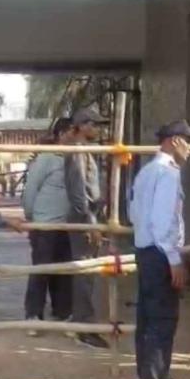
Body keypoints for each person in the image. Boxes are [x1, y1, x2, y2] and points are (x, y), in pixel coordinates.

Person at [129, 119, 190, 379]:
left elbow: (134, 213)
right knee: (162, 321)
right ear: (175, 141)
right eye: (189, 142)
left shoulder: (147, 171)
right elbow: (163, 222)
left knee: (148, 319)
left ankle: (151, 378)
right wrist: (174, 260)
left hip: (146, 250)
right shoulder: (168, 174)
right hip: (160, 252)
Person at [20, 117, 74, 334]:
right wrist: (31, 218)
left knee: (63, 271)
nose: (74, 137)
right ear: (61, 134)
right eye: (71, 132)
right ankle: (33, 315)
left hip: (67, 226)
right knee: (41, 271)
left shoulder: (75, 159)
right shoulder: (46, 158)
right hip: (44, 225)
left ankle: (62, 311)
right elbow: (30, 190)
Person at [64, 107, 111, 349]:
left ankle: (82, 320)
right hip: (84, 218)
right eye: (93, 124)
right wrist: (90, 222)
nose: (97, 129)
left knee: (89, 273)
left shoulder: (86, 151)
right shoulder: (78, 152)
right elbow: (78, 193)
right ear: (81, 126)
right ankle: (83, 325)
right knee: (84, 272)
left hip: (90, 216)